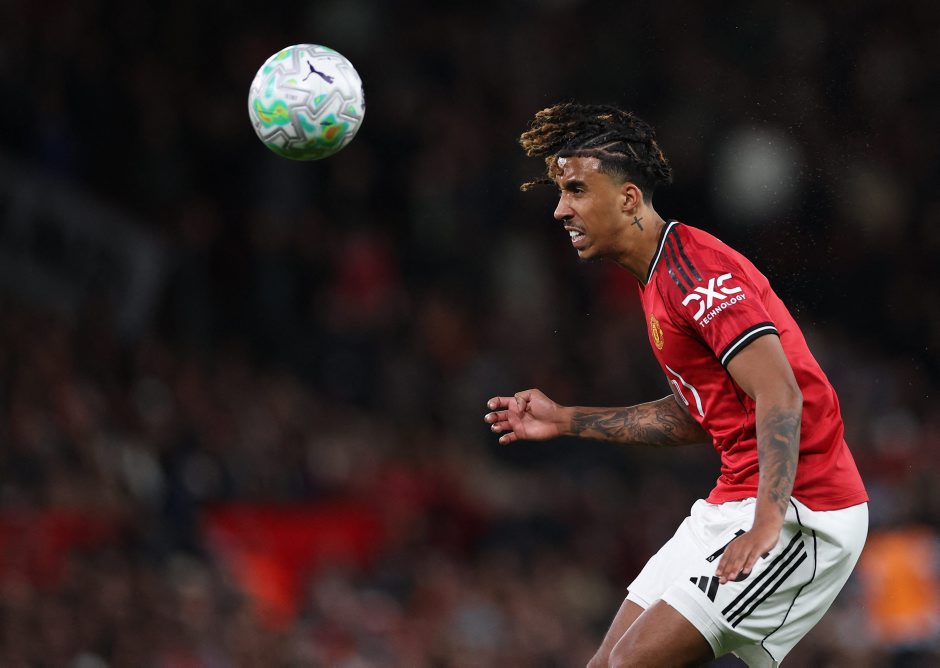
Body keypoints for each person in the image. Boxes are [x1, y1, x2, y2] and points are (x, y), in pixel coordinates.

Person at [483, 103, 868, 667]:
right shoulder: (659, 276)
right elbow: (699, 415)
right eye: (560, 193)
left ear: (628, 199)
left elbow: (780, 393)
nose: (561, 209)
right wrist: (567, 419)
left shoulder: (697, 273)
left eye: (576, 190)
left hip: (804, 510)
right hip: (735, 498)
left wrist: (767, 522)